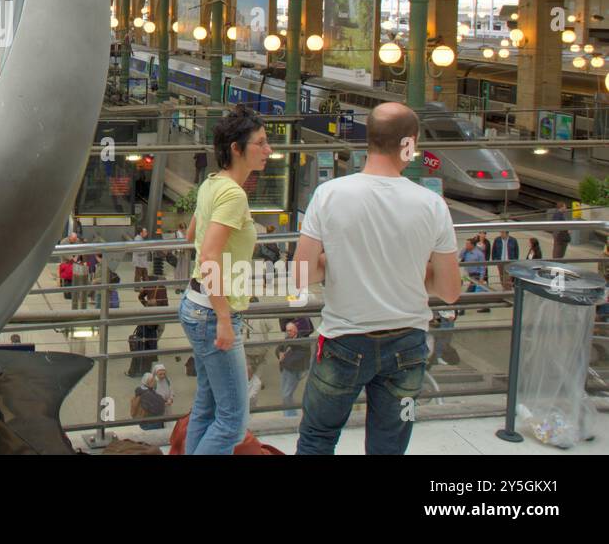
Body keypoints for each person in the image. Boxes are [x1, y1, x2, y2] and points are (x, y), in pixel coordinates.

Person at [292, 102, 461, 455]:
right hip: (409, 349)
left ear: (368, 139)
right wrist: (411, 268)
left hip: (342, 344)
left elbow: (302, 274)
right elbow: (449, 292)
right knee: (389, 447)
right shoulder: (432, 205)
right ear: (409, 145)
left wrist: (341, 260)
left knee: (316, 439)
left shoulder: (330, 195)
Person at [178, 104, 272, 455]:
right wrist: (222, 319)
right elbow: (209, 255)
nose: (268, 150)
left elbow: (192, 235)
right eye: (260, 143)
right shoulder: (233, 193)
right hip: (213, 313)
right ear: (237, 148)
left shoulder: (212, 183)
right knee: (233, 422)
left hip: (194, 304)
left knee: (206, 406)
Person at [276, 320, 311, 417]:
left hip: (294, 370)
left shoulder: (303, 342)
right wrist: (280, 354)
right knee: (285, 393)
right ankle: (288, 413)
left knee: (286, 394)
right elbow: (279, 348)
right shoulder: (287, 338)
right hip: (286, 369)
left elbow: (299, 356)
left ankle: (290, 415)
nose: (288, 332)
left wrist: (284, 358)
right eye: (287, 331)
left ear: (296, 330)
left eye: (290, 330)